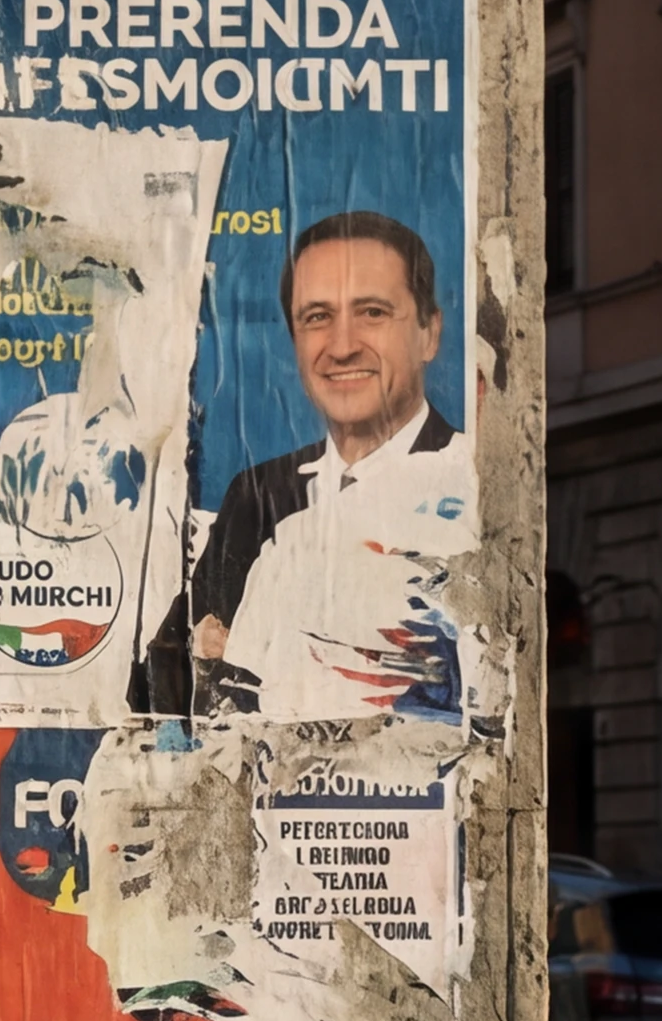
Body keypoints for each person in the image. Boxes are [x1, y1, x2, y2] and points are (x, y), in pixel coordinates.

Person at [133, 209, 463, 716]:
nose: (343, 346)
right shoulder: (261, 493)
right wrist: (207, 664)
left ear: (428, 333)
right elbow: (155, 685)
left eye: (373, 312)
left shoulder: (469, 481)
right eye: (317, 317)